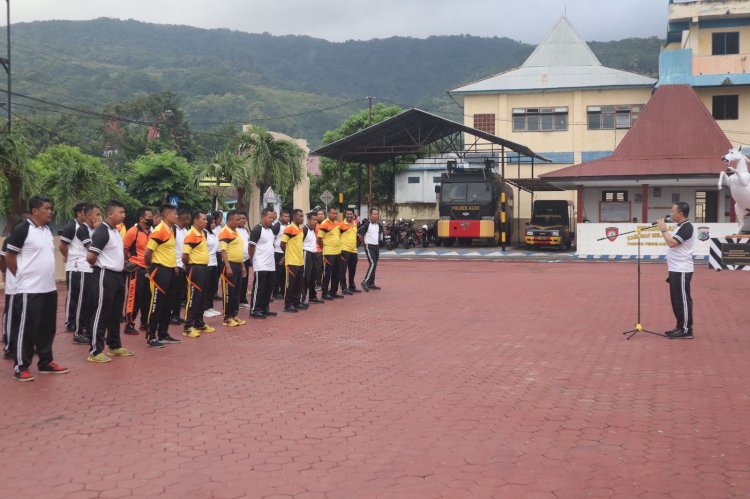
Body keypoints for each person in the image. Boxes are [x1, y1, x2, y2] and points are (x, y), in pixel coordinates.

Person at [5, 195, 69, 381]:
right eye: (47, 208)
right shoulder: (22, 229)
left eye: (51, 208)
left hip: (48, 288)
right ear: (35, 211)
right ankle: (21, 366)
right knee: (26, 329)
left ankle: (45, 362)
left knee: (47, 328)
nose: (50, 212)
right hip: (28, 290)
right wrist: (21, 276)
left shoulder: (47, 230)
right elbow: (9, 256)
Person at [85, 200, 134, 363]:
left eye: (124, 212)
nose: (123, 215)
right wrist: (103, 266)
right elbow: (91, 257)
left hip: (118, 276)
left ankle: (114, 345)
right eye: (120, 212)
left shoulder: (115, 231)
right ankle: (95, 351)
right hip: (105, 275)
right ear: (110, 214)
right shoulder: (103, 231)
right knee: (101, 312)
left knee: (115, 313)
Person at [144, 204, 182, 348]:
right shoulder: (159, 230)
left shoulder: (170, 230)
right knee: (157, 304)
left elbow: (168, 251)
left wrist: (174, 267)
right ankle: (151, 336)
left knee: (168, 304)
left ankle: (163, 333)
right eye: (175, 214)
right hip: (160, 270)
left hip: (170, 270)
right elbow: (148, 253)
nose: (177, 216)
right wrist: (149, 268)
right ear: (167, 216)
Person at [657, 202, 696, 340]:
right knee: (676, 300)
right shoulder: (679, 227)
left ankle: (686, 330)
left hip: (682, 269)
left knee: (683, 300)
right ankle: (680, 327)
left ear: (680, 213)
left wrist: (663, 229)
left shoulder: (687, 227)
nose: (671, 214)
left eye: (673, 211)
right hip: (674, 269)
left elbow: (672, 243)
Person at [182, 210, 215, 338]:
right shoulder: (191, 234)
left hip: (204, 268)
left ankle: (199, 323)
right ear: (195, 220)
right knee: (193, 298)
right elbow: (185, 255)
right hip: (195, 268)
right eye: (204, 219)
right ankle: (188, 326)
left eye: (206, 220)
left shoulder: (202, 234)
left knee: (202, 297)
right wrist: (190, 266)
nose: (206, 221)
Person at [122, 207, 154, 335]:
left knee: (147, 297)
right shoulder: (133, 231)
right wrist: (130, 260)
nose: (151, 219)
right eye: (149, 217)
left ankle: (145, 323)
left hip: (148, 269)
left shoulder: (151, 232)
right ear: (141, 219)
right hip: (136, 268)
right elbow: (125, 248)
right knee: (133, 297)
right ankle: (129, 324)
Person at [73, 204, 101, 345]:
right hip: (84, 269)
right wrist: (98, 231)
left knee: (92, 302)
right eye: (97, 214)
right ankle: (78, 333)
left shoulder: (92, 229)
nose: (99, 217)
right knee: (82, 302)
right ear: (89, 215)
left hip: (93, 270)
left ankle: (89, 331)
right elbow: (92, 248)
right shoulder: (82, 230)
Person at [59, 202, 88, 332]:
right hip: (74, 267)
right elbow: (62, 245)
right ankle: (70, 322)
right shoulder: (72, 227)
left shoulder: (87, 227)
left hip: (85, 267)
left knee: (84, 296)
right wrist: (69, 257)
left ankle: (81, 321)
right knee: (73, 295)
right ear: (79, 214)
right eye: (85, 213)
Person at [218, 211, 247, 327]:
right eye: (237, 220)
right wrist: (228, 266)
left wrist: (243, 266)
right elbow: (223, 251)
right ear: (230, 220)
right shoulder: (224, 232)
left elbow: (238, 251)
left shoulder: (236, 232)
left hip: (238, 265)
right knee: (229, 292)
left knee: (236, 292)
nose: (239, 221)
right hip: (229, 265)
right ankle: (227, 317)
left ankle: (234, 315)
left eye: (240, 220)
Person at [248, 208, 277, 319]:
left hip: (270, 264)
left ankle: (264, 308)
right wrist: (252, 259)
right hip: (260, 264)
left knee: (268, 287)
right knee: (259, 287)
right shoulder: (257, 230)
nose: (271, 219)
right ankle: (254, 309)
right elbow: (251, 246)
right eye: (269, 217)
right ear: (263, 216)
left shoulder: (270, 230)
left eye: (272, 218)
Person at [280, 209, 307, 313]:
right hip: (291, 262)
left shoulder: (300, 229)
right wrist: (287, 255)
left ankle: (296, 302)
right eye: (300, 216)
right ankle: (288, 305)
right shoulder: (289, 228)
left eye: (302, 216)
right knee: (290, 284)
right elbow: (282, 244)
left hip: (300, 261)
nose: (302, 218)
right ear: (294, 217)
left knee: (299, 284)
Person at [170, 208, 191, 325]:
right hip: (175, 266)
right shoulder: (174, 230)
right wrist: (174, 265)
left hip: (183, 266)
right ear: (184, 218)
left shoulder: (185, 230)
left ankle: (176, 315)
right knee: (173, 293)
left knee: (180, 293)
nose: (189, 221)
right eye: (188, 219)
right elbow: (171, 249)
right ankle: (171, 315)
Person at [318, 207, 344, 300]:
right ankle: (325, 293)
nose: (335, 215)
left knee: (337, 272)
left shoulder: (337, 223)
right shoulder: (324, 224)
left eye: (335, 213)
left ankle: (333, 292)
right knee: (327, 274)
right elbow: (319, 239)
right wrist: (324, 248)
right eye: (333, 213)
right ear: (328, 213)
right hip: (328, 253)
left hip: (338, 252)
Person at [301, 211, 323, 306]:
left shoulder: (313, 229)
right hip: (307, 254)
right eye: (313, 220)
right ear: (309, 220)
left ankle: (312, 297)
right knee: (306, 276)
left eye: (316, 220)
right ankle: (302, 298)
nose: (315, 221)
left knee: (313, 276)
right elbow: (300, 243)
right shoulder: (304, 229)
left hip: (314, 253)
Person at [358, 207, 383, 291]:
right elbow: (361, 235)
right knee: (372, 263)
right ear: (370, 215)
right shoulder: (367, 224)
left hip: (376, 246)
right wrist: (364, 244)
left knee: (374, 264)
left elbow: (379, 234)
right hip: (369, 246)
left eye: (377, 214)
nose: (376, 215)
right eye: (374, 214)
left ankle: (371, 283)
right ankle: (365, 281)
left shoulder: (378, 225)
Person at [203, 216, 222, 318]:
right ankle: (204, 308)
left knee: (212, 287)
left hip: (214, 262)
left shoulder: (213, 233)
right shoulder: (204, 233)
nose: (214, 224)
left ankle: (210, 306)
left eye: (215, 222)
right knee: (206, 286)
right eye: (212, 223)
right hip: (207, 263)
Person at [339, 208, 360, 295]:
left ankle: (352, 286)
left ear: (353, 215)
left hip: (354, 250)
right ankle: (344, 288)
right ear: (345, 215)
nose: (349, 216)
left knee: (352, 270)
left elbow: (357, 236)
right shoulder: (341, 225)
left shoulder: (355, 224)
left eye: (351, 214)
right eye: (347, 214)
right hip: (344, 250)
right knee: (343, 270)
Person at [272, 210, 290, 299]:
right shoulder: (276, 226)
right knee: (277, 273)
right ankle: (275, 292)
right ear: (281, 217)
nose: (287, 218)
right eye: (285, 216)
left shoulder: (289, 226)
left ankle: (283, 291)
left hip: (287, 252)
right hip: (278, 252)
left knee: (284, 273)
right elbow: (272, 239)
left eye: (288, 217)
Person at [236, 213, 252, 307]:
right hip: (237, 259)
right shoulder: (234, 230)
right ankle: (237, 300)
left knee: (245, 280)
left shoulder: (245, 230)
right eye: (240, 218)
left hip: (246, 259)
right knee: (238, 281)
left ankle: (243, 299)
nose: (242, 220)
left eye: (244, 218)